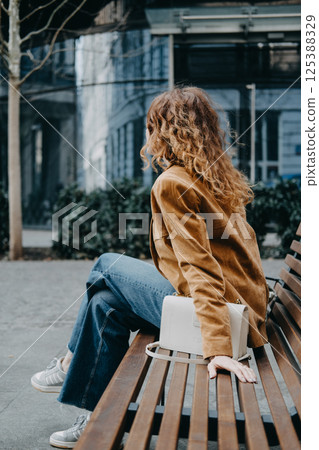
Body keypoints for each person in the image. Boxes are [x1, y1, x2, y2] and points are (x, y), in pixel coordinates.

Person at [31, 86, 268, 448]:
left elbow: (200, 267)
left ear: (165, 131)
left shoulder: (172, 183)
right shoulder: (216, 175)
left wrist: (218, 346)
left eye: (152, 127)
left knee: (105, 264)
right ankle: (97, 417)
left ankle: (68, 363)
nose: (150, 136)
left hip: (222, 313)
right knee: (104, 304)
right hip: (243, 308)